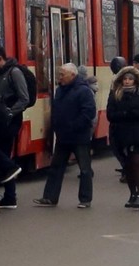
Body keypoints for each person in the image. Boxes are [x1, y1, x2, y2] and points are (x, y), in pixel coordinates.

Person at [34, 63, 97, 208]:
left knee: (85, 169)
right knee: (56, 167)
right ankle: (49, 197)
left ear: (73, 75)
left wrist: (74, 126)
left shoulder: (83, 91)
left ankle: (85, 199)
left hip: (79, 137)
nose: (59, 77)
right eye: (59, 74)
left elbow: (89, 113)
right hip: (63, 136)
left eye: (62, 75)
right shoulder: (61, 90)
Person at [106, 66, 139, 210]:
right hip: (122, 134)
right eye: (125, 79)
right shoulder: (115, 94)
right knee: (128, 166)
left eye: (130, 79)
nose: (127, 82)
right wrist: (123, 115)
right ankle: (132, 194)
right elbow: (110, 115)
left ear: (135, 81)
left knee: (137, 162)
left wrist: (133, 113)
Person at [0, 44, 26, 209]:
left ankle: (10, 195)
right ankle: (9, 196)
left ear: (0, 58)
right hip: (1, 121)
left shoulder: (14, 73)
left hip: (10, 122)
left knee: (1, 153)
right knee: (4, 156)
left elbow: (24, 98)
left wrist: (9, 112)